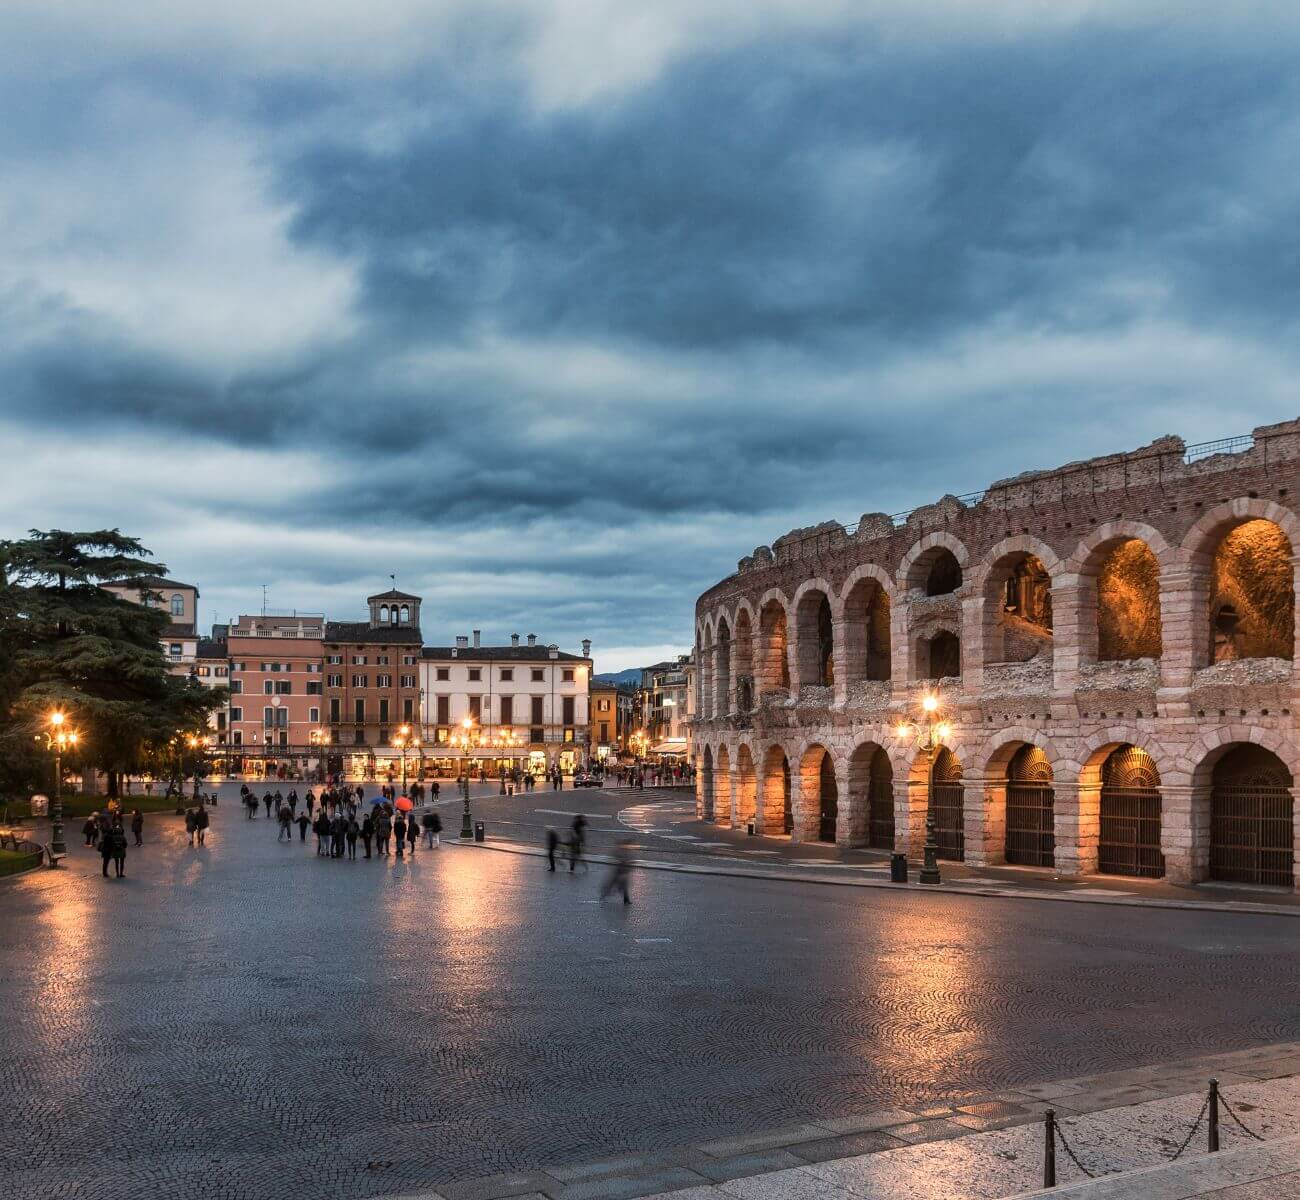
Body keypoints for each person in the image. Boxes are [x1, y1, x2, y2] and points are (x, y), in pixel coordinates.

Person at [600, 838, 633, 904]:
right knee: (611, 885)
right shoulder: (617, 851)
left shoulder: (626, 851)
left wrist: (629, 865)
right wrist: (619, 861)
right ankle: (603, 895)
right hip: (618, 872)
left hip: (623, 872)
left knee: (624, 886)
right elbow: (612, 859)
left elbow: (628, 860)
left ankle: (626, 900)